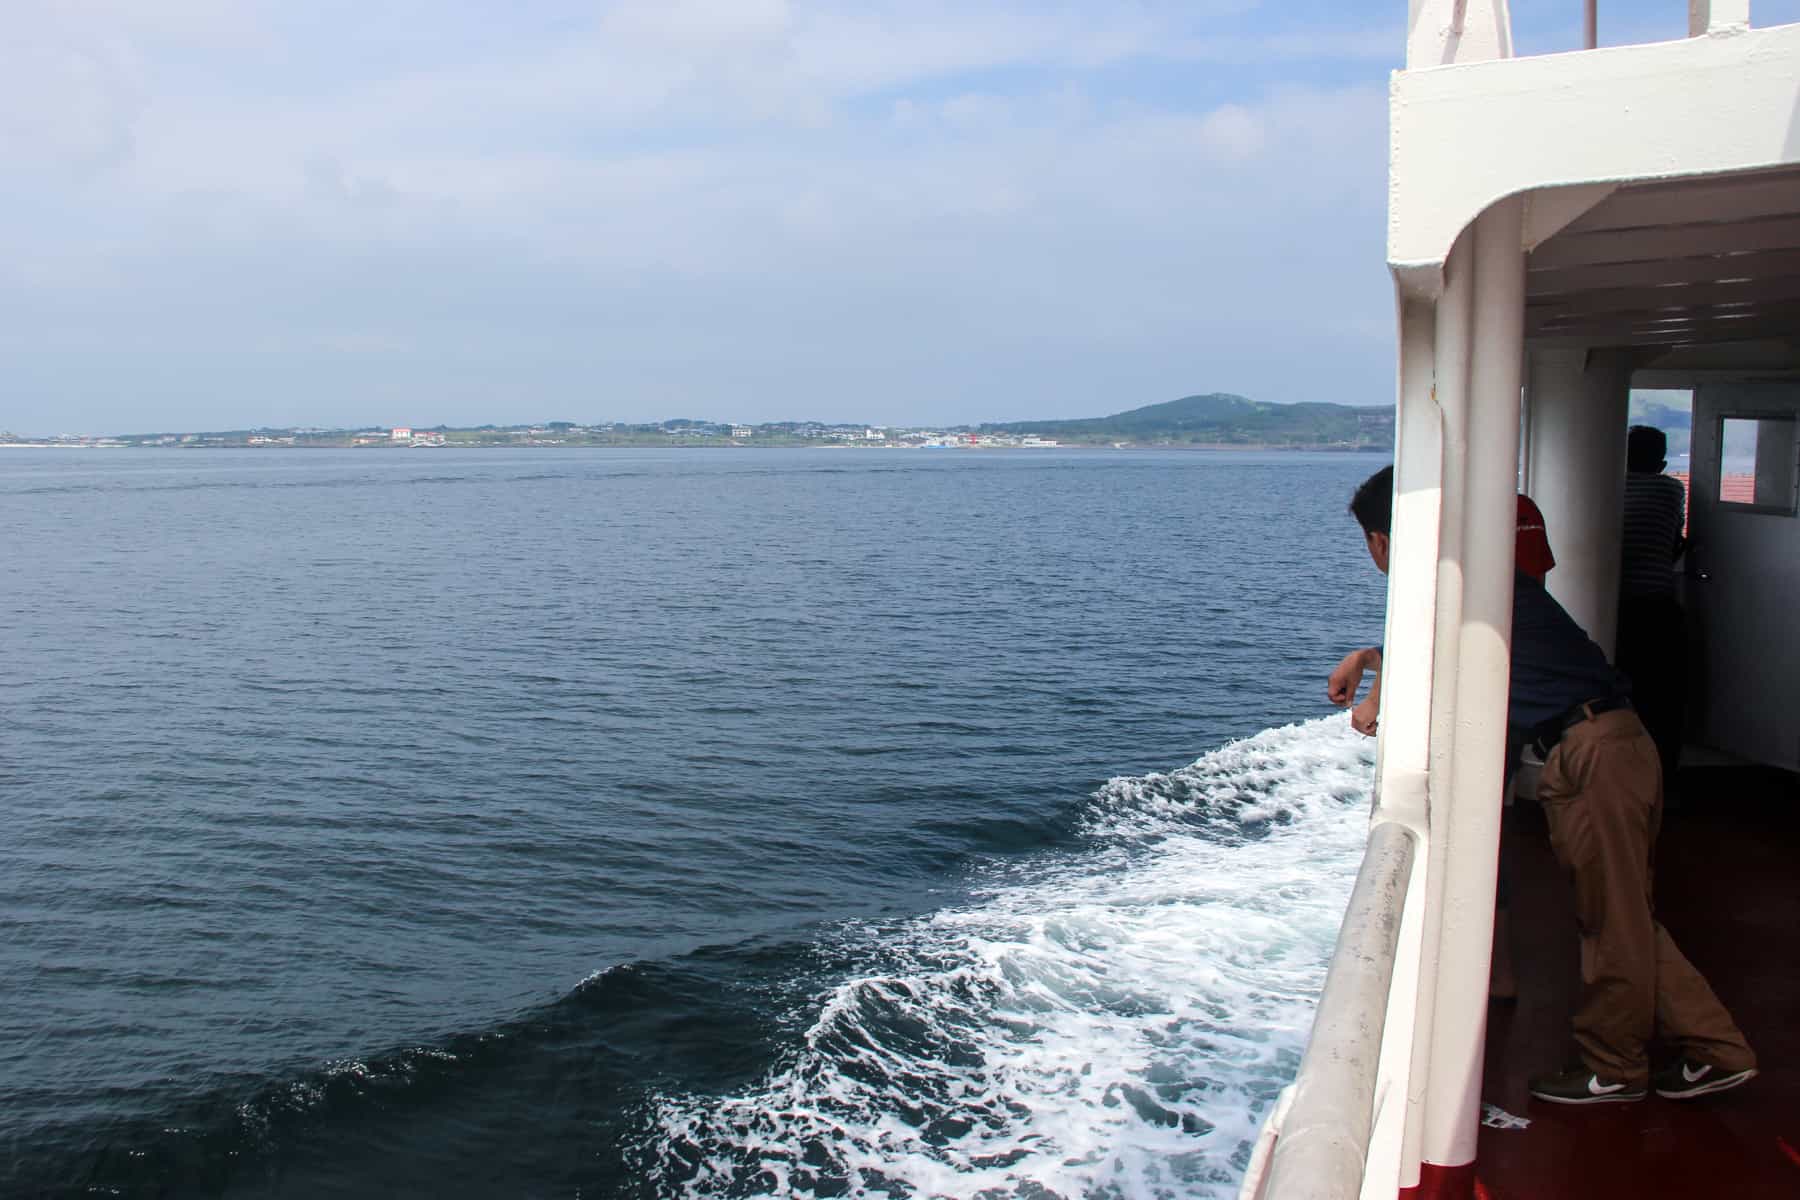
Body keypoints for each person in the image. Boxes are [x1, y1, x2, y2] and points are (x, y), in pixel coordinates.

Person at [1333, 465, 1756, 1105]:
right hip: (1609, 746)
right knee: (1624, 918)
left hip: (1593, 757)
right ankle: (1715, 1050)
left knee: (1611, 925)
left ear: (1382, 542)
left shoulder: (1450, 594)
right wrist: (1370, 660)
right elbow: (1438, 657)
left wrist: (1372, 689)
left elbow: (1420, 672)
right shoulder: (1483, 583)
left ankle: (1615, 1068)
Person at [1615, 425, 1689, 790]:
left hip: (1616, 608)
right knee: (1662, 696)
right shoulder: (1672, 489)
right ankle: (1662, 777)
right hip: (1657, 607)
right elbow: (1675, 541)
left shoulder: (1611, 488)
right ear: (1661, 462)